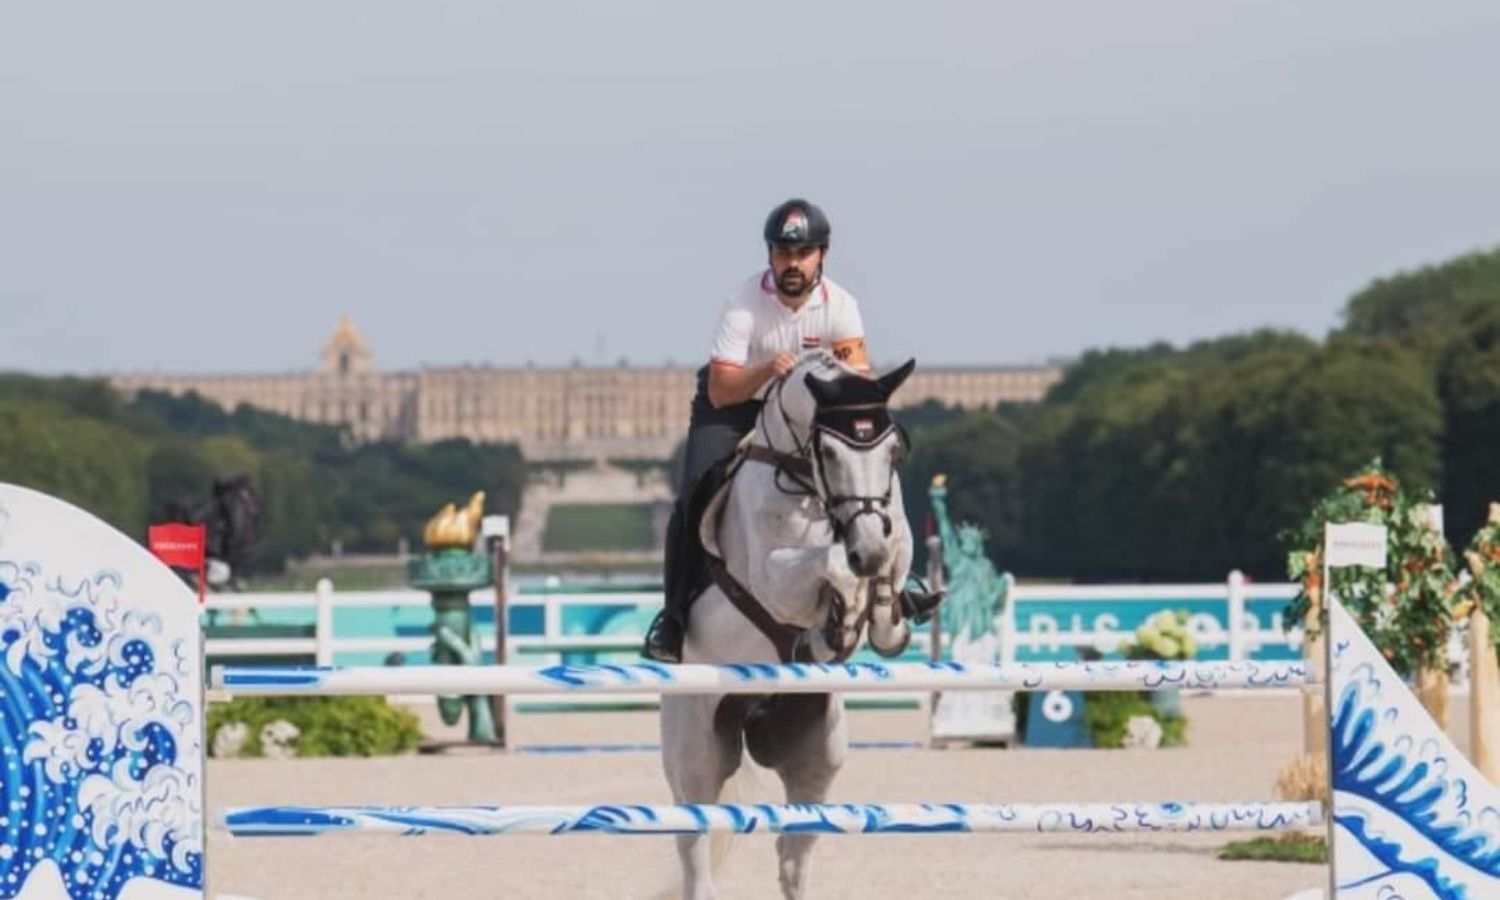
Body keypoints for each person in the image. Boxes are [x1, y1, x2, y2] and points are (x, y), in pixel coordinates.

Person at [642, 198, 938, 663]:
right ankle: (674, 617)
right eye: (782, 253)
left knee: (863, 464)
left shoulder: (841, 306)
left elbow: (855, 385)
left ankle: (894, 584)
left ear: (822, 254)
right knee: (693, 494)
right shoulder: (743, 304)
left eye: (802, 253)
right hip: (737, 405)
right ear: (770, 255)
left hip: (807, 415)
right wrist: (766, 371)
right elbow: (721, 389)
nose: (792, 263)